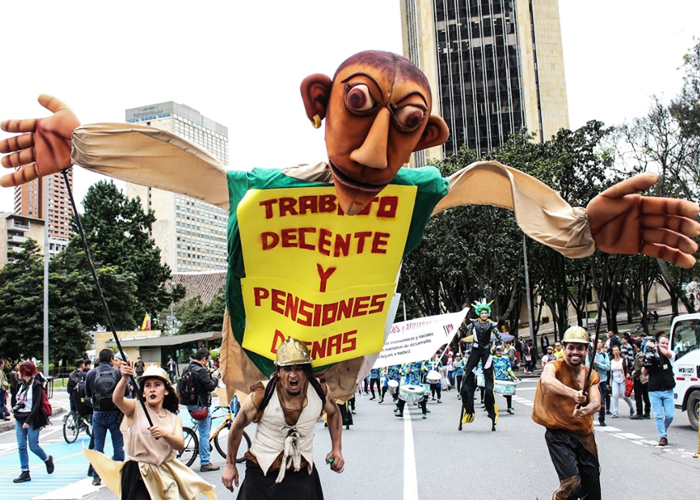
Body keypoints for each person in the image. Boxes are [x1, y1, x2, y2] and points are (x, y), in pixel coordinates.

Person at [2, 52, 698, 402]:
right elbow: (195, 172)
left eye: (403, 126)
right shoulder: (269, 192)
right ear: (318, 104)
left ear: (425, 135)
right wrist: (87, 145)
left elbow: (485, 184)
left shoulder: (415, 188)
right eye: (357, 107)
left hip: (333, 367)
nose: (371, 154)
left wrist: (576, 229)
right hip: (253, 356)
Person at [221, 337, 344, 498]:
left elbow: (334, 413)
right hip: (261, 476)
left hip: (300, 475)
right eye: (287, 369)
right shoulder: (261, 394)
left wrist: (337, 449)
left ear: (306, 372)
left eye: (299, 368)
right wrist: (230, 465)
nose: (293, 375)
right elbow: (237, 427)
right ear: (278, 372)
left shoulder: (319, 391)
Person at [85, 364, 215, 499]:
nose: (152, 389)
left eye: (157, 385)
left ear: (165, 391)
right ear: (143, 392)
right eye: (148, 386)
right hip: (137, 474)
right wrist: (124, 379)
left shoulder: (174, 419)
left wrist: (165, 434)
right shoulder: (135, 408)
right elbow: (117, 400)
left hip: (164, 474)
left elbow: (179, 444)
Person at [532, 326, 602, 500]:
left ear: (586, 350)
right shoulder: (553, 366)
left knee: (592, 491)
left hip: (584, 437)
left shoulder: (590, 375)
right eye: (571, 347)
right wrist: (573, 394)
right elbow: (547, 381)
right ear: (563, 348)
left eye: (580, 348)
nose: (575, 352)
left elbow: (596, 402)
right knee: (573, 485)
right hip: (559, 435)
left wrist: (587, 409)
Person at [85, 349, 126, 486]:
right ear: (111, 359)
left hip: (98, 413)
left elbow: (88, 394)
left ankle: (97, 476)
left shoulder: (91, 373)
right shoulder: (118, 373)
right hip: (116, 413)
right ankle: (120, 474)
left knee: (98, 447)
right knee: (118, 446)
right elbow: (125, 393)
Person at [460, 299, 501, 430]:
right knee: (469, 372)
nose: (484, 315)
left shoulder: (491, 324)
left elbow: (498, 335)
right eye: (482, 313)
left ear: (488, 314)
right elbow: (467, 329)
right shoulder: (474, 323)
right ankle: (468, 404)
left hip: (486, 351)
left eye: (486, 313)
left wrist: (500, 345)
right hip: (476, 350)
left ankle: (490, 402)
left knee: (488, 375)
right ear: (479, 313)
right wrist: (462, 323)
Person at [12, 360, 54, 483]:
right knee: (21, 446)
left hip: (32, 419)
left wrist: (29, 420)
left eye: (20, 371)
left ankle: (47, 460)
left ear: (24, 371)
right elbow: (16, 402)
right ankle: (25, 471)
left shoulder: (36, 385)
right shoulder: (20, 385)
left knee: (33, 446)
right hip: (19, 418)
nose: (18, 373)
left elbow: (36, 405)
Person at [181, 347, 220, 472]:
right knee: (204, 434)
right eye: (207, 360)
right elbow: (210, 386)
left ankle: (203, 448)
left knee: (202, 431)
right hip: (201, 405)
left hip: (189, 405)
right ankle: (205, 462)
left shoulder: (187, 368)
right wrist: (215, 377)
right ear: (203, 359)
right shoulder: (200, 371)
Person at [642, 334, 676, 446]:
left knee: (670, 415)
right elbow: (644, 372)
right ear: (658, 343)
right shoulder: (650, 354)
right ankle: (663, 436)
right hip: (654, 390)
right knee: (658, 415)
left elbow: (666, 353)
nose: (665, 345)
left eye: (666, 343)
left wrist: (655, 347)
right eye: (663, 343)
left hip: (668, 390)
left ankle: (663, 430)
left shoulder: (671, 354)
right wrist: (647, 360)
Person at [609, 345, 635, 418]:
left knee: (624, 395)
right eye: (614, 351)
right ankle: (615, 412)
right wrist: (608, 383)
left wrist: (628, 373)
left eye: (617, 350)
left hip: (623, 379)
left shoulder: (624, 360)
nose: (616, 352)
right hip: (615, 379)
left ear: (620, 351)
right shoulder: (611, 361)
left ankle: (631, 406)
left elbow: (631, 366)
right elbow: (609, 371)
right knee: (615, 395)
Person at [492, 345, 518, 414]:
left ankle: (509, 407)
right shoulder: (492, 358)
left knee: (508, 393)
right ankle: (491, 407)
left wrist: (512, 375)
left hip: (505, 378)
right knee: (491, 393)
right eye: (497, 350)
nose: (499, 352)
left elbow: (509, 367)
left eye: (500, 350)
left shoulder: (506, 358)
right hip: (496, 378)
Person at [630, 339, 651, 420]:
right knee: (646, 395)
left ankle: (639, 413)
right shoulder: (647, 353)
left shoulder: (639, 355)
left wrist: (633, 376)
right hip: (647, 377)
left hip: (639, 377)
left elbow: (638, 368)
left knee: (638, 395)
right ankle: (647, 412)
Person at [592, 339, 611, 427]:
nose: (599, 344)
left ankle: (601, 418)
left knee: (602, 400)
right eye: (597, 343)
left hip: (602, 380)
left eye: (600, 342)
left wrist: (598, 363)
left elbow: (607, 367)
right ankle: (590, 418)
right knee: (592, 400)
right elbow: (587, 367)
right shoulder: (590, 355)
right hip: (593, 381)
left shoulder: (604, 355)